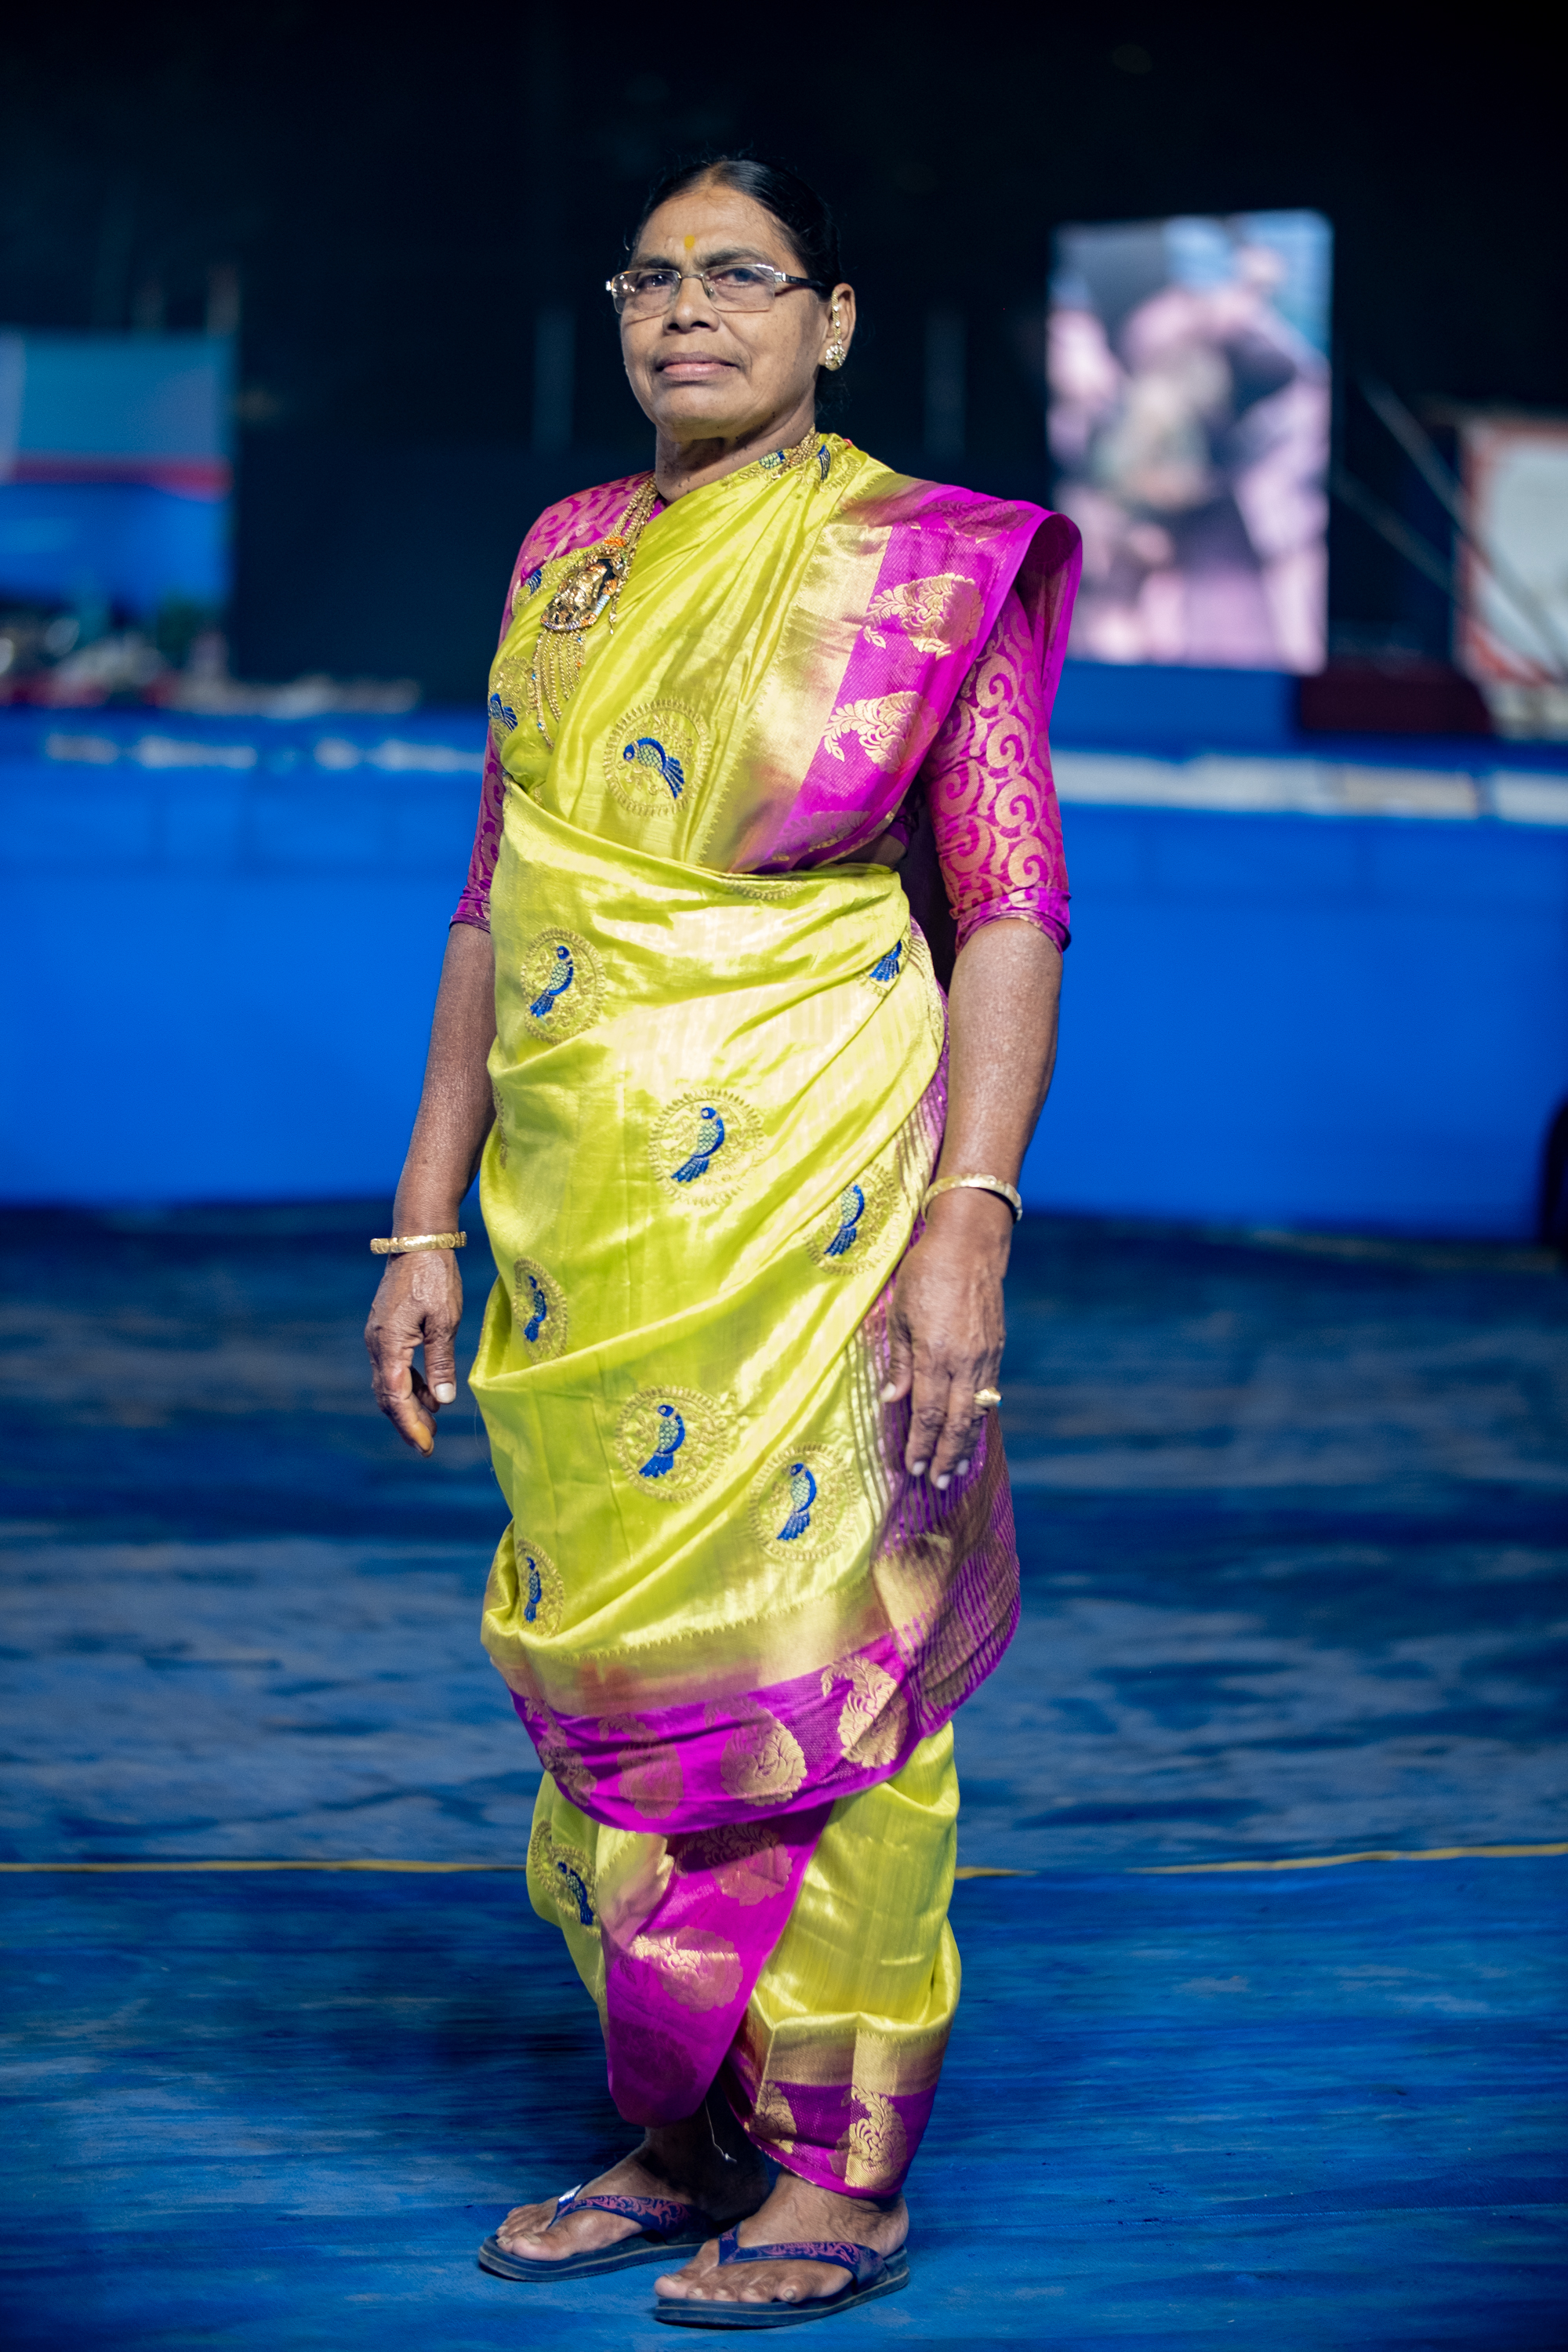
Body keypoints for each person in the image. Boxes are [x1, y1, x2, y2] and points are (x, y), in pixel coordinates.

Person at [365, 153, 1079, 2327]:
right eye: (652, 277)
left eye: (741, 276)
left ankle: (840, 2171)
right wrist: (419, 1221)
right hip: (583, 1237)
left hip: (819, 1199)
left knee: (824, 1650)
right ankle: (683, 2124)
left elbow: (1011, 905)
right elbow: (498, 900)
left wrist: (967, 1221)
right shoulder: (565, 553)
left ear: (832, 319)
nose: (688, 310)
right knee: (617, 1663)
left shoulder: (921, 564)